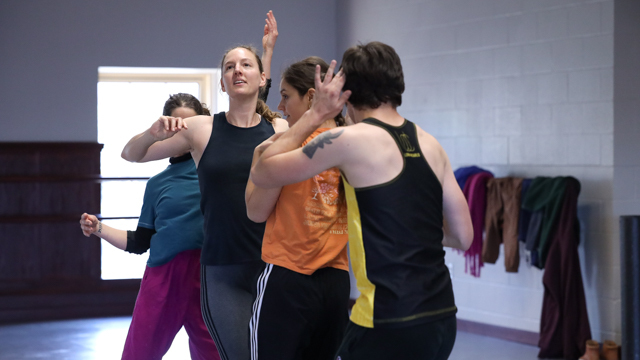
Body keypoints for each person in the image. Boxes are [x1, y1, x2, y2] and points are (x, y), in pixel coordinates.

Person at [250, 42, 473, 360]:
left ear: (347, 93)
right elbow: (463, 236)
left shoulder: (346, 141)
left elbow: (262, 171)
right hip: (441, 319)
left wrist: (316, 114)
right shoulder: (430, 143)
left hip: (385, 322)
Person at [120, 11, 288, 360]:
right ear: (223, 84)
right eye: (229, 67)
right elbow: (132, 155)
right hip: (221, 268)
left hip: (271, 265)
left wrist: (268, 51)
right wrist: (153, 132)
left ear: (261, 79)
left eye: (246, 65)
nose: (237, 70)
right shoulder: (200, 129)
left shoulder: (280, 130)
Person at [80, 93, 221, 360]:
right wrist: (99, 228)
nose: (183, 132)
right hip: (164, 278)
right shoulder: (157, 184)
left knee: (217, 354)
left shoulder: (217, 169)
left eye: (190, 125)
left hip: (210, 276)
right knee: (138, 354)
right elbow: (140, 242)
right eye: (176, 126)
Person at [245, 57, 350, 360]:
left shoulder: (278, 150)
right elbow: (256, 212)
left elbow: (255, 212)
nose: (279, 106)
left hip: (310, 277)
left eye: (286, 95)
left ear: (311, 97)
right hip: (313, 277)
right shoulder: (353, 144)